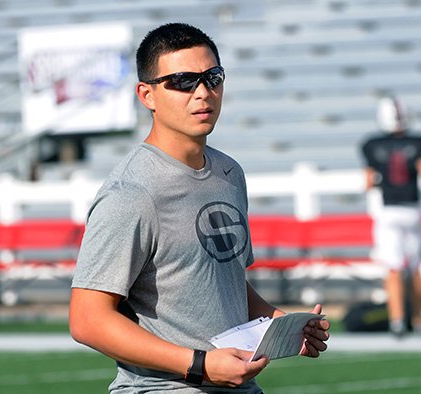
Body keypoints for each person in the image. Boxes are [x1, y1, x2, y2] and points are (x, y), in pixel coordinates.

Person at [69, 22, 330, 393]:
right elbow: (87, 320)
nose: (203, 92)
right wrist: (199, 364)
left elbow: (223, 279)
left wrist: (280, 324)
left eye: (213, 77)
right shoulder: (131, 191)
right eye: (183, 81)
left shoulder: (228, 172)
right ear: (147, 95)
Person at [360, 96, 421, 337]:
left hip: (388, 211)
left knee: (393, 269)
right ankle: (418, 321)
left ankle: (397, 321)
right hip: (413, 209)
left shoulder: (372, 144)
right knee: (416, 268)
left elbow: (367, 182)